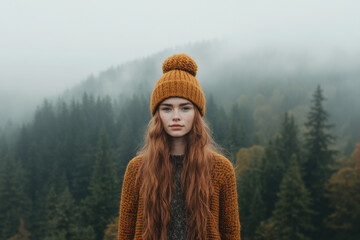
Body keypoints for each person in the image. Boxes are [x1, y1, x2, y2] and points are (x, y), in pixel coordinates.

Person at [118, 53, 241, 240]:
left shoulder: (221, 169)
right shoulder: (137, 169)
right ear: (157, 114)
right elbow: (125, 235)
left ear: (197, 113)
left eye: (185, 108)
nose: (176, 116)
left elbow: (231, 234)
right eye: (167, 108)